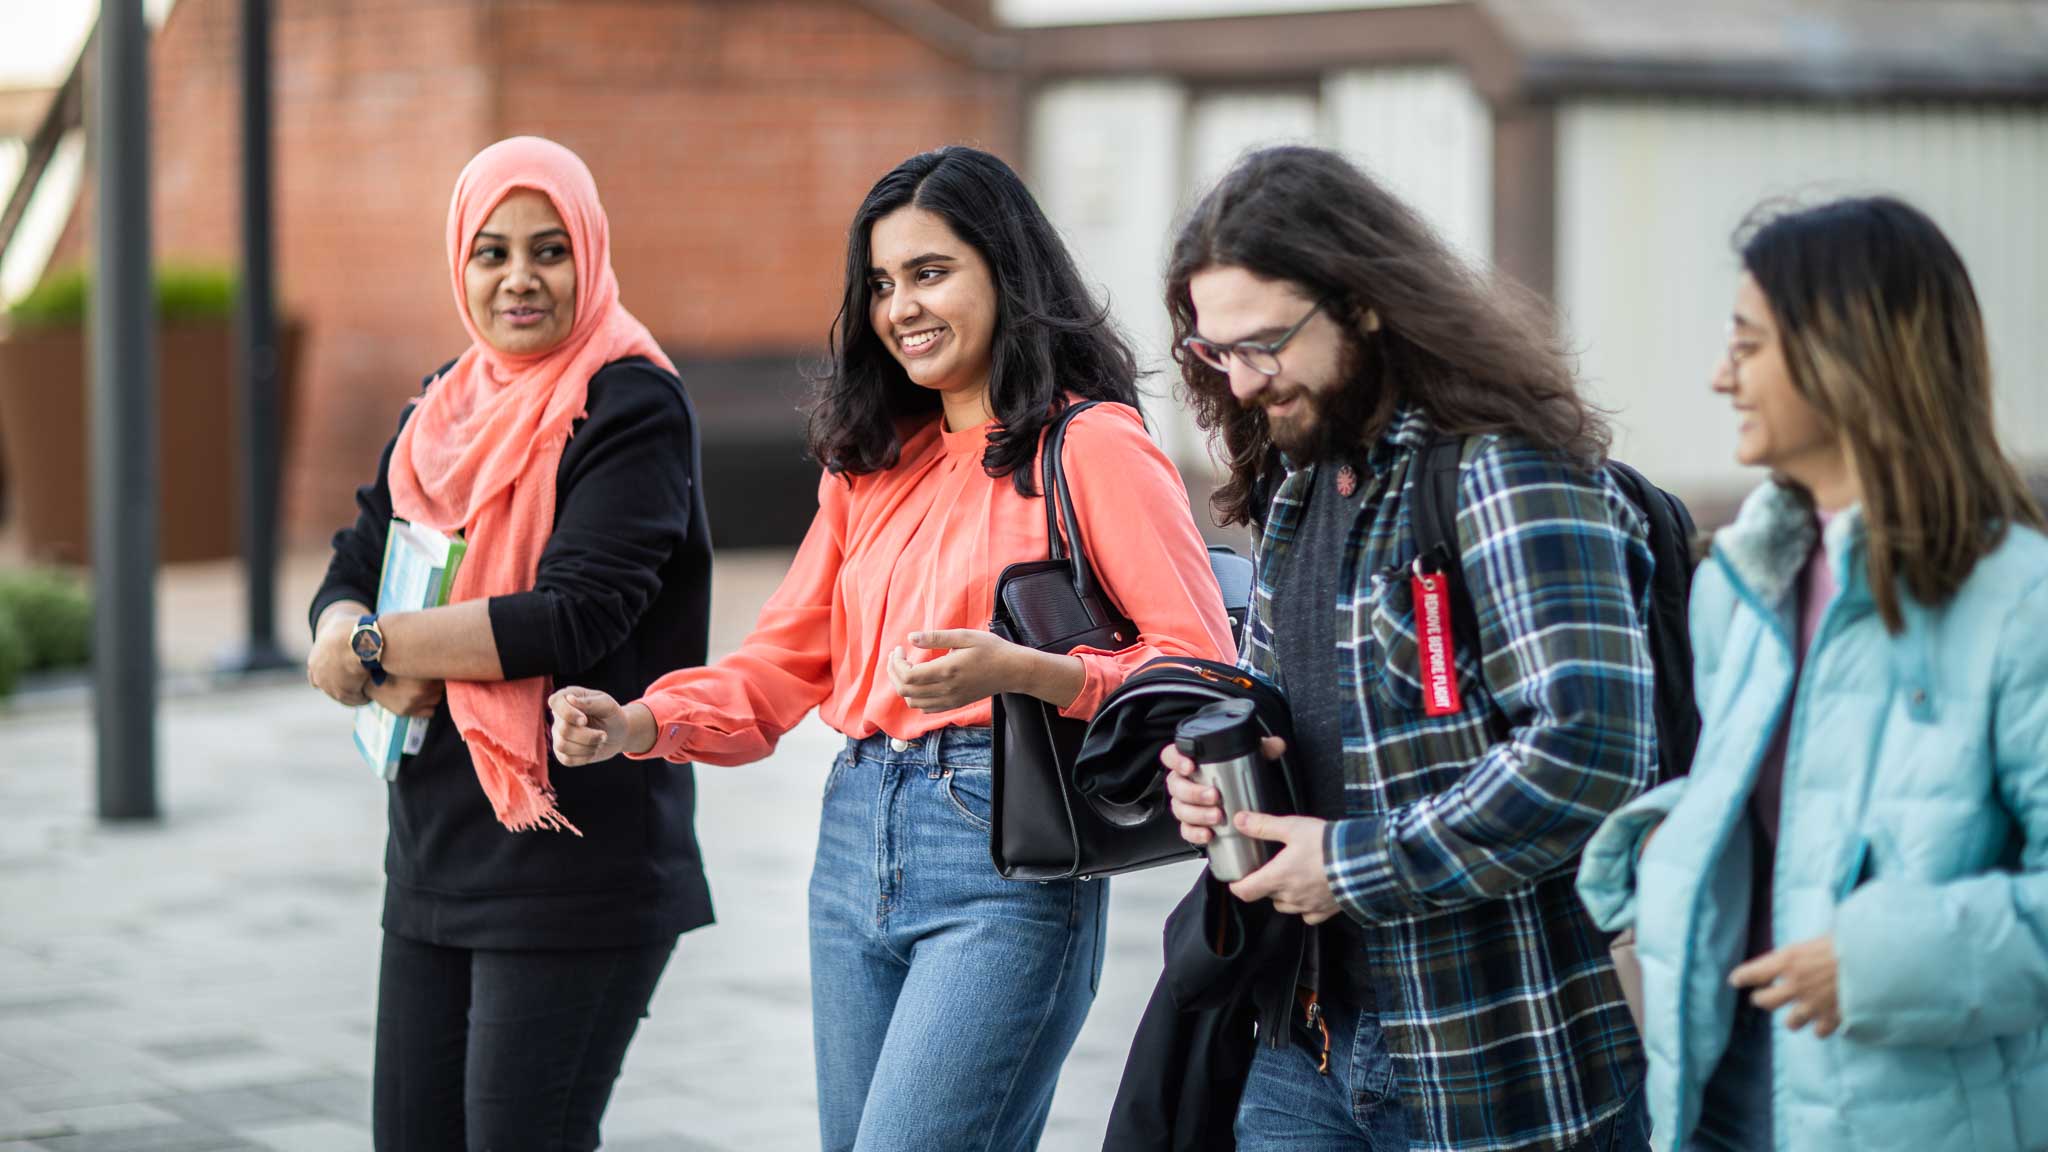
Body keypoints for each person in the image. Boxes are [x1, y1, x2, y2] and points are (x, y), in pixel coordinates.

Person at [546, 145, 1235, 1152]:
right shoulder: (869, 468)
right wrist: (641, 720)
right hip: (852, 840)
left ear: (1005, 271)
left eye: (928, 272)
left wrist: (1022, 672)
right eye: (878, 283)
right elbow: (781, 664)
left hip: (1001, 861)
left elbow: (1195, 666)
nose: (899, 306)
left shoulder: (1087, 444)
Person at [1156, 145, 1656, 1152]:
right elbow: (1291, 726)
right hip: (1298, 1041)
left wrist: (1349, 864)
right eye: (1216, 352)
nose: (1244, 382)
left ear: (1366, 303)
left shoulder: (1503, 469)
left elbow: (1591, 749)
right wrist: (1216, 781)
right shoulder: (1297, 493)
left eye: (1265, 343)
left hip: (1487, 1059)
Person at [1575, 196, 2048, 1152]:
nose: (1720, 377)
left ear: (1847, 355)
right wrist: (1666, 852)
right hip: (1720, 1091)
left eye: (1747, 347)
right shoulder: (1739, 586)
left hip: (1916, 1113)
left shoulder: (2020, 601)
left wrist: (1884, 962)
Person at [305, 136, 713, 1151]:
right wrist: (345, 633)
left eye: (547, 249)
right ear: (460, 263)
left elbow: (572, 615)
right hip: (436, 851)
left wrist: (375, 650)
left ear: (589, 250)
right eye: (490, 252)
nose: (519, 278)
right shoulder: (440, 404)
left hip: (574, 866)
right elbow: (353, 560)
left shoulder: (631, 404)